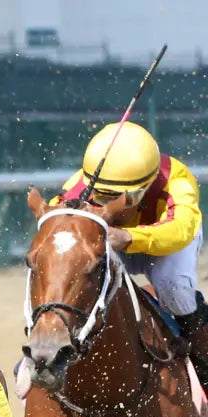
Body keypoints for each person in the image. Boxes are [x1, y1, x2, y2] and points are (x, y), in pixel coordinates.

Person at [53, 121, 207, 349]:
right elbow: (53, 221)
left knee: (173, 287)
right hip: (113, 241)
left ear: (148, 184)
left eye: (123, 199)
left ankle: (201, 354)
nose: (111, 206)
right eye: (101, 197)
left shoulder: (178, 180)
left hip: (166, 245)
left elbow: (180, 230)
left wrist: (128, 237)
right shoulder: (83, 183)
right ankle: (43, 353)